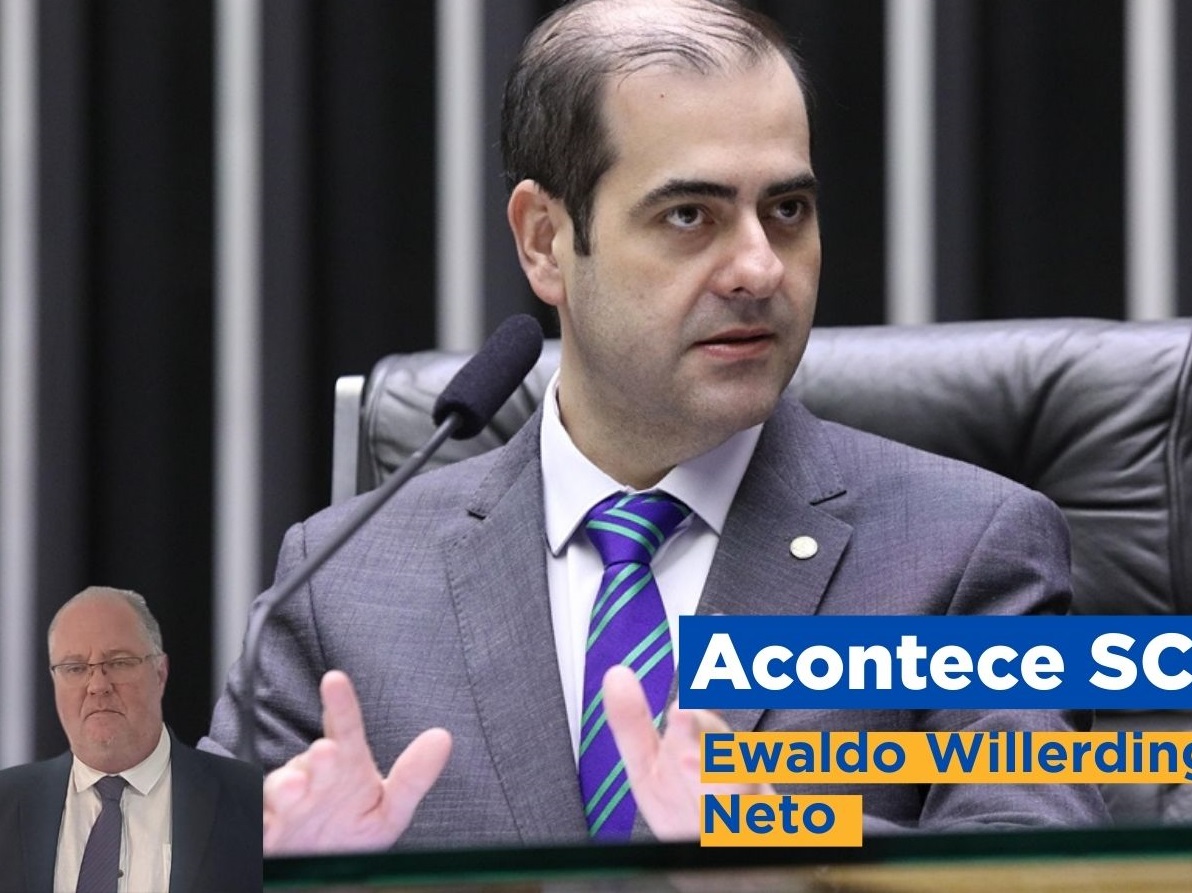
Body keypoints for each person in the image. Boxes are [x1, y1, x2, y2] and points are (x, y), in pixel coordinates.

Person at [203, 0, 1107, 853]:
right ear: (544, 240)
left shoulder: (963, 552)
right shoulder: (339, 587)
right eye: (689, 215)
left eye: (786, 210)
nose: (758, 267)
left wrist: (789, 844)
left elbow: (1034, 865)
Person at [0, 587, 262, 893]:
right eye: (75, 668)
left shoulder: (252, 800)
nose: (97, 685)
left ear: (160, 673)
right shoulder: (7, 803)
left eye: (119, 663)